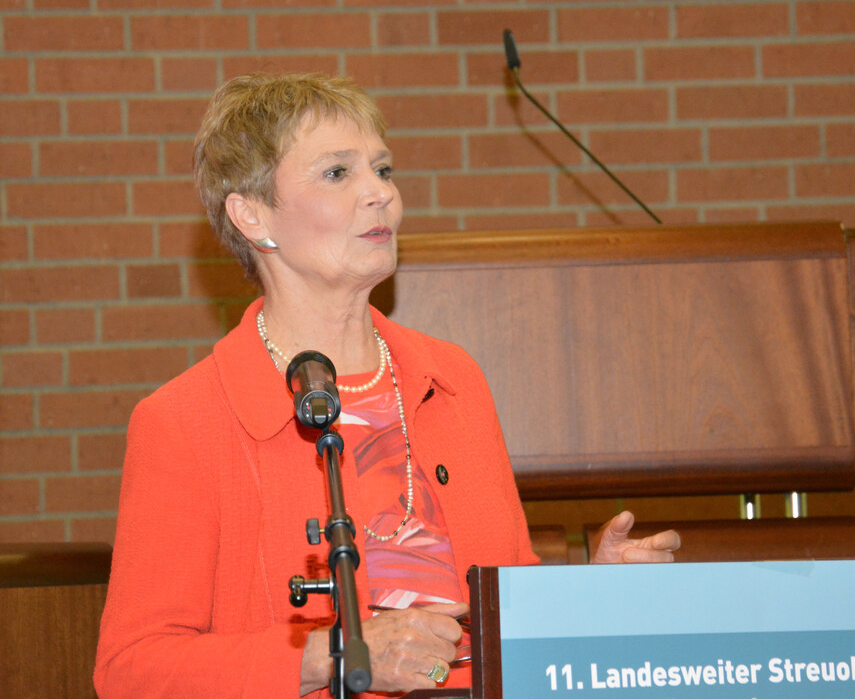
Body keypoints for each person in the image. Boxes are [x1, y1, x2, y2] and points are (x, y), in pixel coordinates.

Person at [93, 72, 680, 699]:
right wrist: (332, 655)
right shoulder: (185, 422)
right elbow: (133, 670)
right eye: (338, 174)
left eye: (384, 169)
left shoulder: (451, 379)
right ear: (252, 214)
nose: (381, 195)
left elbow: (508, 614)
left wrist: (592, 596)